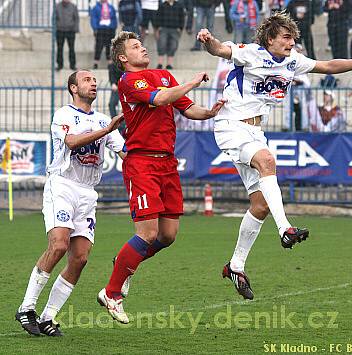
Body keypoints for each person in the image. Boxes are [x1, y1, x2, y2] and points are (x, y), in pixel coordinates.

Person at [197, 10, 352, 299]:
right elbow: (220, 49)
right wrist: (208, 40)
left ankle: (236, 265)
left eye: (294, 38)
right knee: (268, 160)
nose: (292, 42)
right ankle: (285, 229)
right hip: (231, 126)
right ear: (270, 38)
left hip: (255, 132)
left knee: (260, 205)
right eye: (286, 37)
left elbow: (328, 65)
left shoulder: (293, 61)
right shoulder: (252, 54)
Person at [96, 31, 226, 323]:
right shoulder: (129, 81)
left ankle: (124, 263)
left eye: (141, 44)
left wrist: (210, 112)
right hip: (142, 162)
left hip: (167, 163)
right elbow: (160, 99)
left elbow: (187, 107)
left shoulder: (163, 75)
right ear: (122, 58)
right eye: (134, 46)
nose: (142, 48)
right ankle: (112, 292)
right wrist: (191, 81)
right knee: (148, 234)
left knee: (168, 236)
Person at [15, 70, 125, 336]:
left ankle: (47, 317)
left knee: (80, 258)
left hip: (88, 192)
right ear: (74, 88)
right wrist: (107, 129)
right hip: (62, 185)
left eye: (95, 80)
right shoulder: (64, 115)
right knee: (59, 245)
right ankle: (26, 308)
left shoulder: (101, 119)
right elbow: (73, 141)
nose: (94, 83)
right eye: (87, 80)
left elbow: (125, 152)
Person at [156, 0, 185, 69]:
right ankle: (160, 64)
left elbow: (182, 17)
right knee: (161, 45)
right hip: (164, 28)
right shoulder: (162, 5)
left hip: (175, 29)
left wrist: (181, 28)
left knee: (173, 46)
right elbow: (158, 17)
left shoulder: (179, 5)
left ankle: (169, 64)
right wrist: (157, 28)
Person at [90, 0, 118, 69]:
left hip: (110, 29)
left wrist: (114, 26)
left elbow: (114, 18)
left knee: (110, 46)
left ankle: (110, 63)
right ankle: (96, 62)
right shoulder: (96, 7)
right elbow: (94, 18)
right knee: (99, 46)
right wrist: (95, 28)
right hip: (100, 29)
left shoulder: (111, 7)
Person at [55, 0, 79, 71]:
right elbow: (54, 18)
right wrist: (56, 28)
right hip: (60, 31)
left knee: (71, 48)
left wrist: (75, 29)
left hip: (71, 31)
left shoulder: (73, 6)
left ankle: (72, 65)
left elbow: (76, 18)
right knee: (60, 48)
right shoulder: (57, 6)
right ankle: (60, 65)